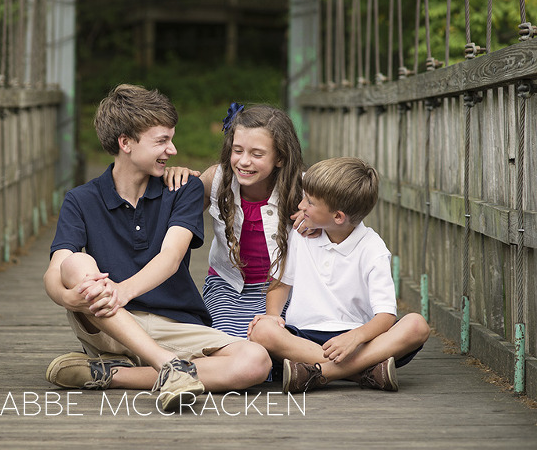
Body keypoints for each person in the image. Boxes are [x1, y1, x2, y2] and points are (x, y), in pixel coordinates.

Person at [43, 84, 271, 411]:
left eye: (171, 139)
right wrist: (67, 298)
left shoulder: (183, 189)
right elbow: (57, 268)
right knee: (76, 264)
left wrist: (121, 290)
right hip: (110, 322)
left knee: (256, 361)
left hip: (176, 325)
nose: (172, 150)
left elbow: (171, 258)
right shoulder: (80, 200)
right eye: (162, 141)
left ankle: (114, 374)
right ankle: (168, 366)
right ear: (126, 143)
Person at [247, 157, 430, 393]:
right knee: (262, 330)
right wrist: (273, 316)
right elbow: (281, 284)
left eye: (309, 202)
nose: (301, 205)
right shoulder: (301, 235)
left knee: (417, 325)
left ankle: (319, 373)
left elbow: (385, 316)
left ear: (338, 217)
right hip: (303, 338)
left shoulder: (373, 249)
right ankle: (363, 373)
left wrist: (355, 337)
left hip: (359, 341)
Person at [164, 103, 306, 338]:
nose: (244, 161)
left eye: (257, 154)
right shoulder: (217, 179)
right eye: (237, 150)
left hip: (284, 289)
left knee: (280, 338)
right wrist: (176, 178)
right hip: (228, 287)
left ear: (280, 157)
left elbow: (342, 220)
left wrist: (318, 220)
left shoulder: (303, 189)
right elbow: (173, 213)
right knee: (227, 342)